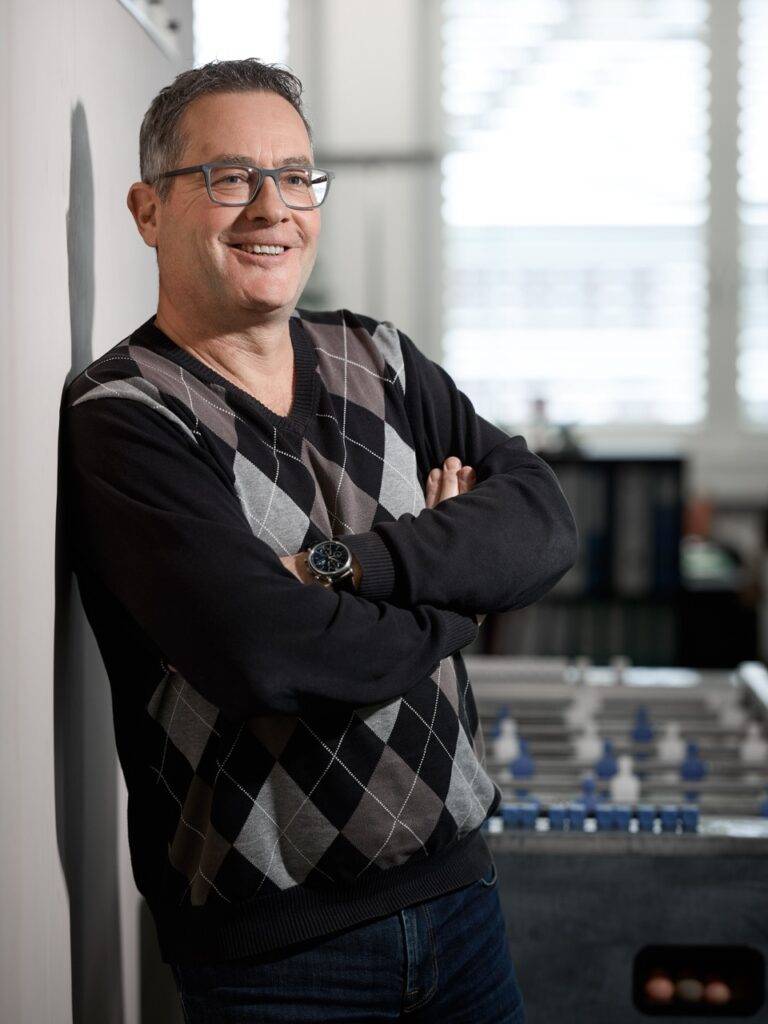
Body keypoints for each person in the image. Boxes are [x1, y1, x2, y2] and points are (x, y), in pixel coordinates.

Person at [62, 57, 578, 1023]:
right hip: (280, 961)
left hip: (463, 905)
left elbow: (543, 523)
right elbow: (267, 653)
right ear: (148, 210)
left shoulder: (379, 357)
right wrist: (460, 593)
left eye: (295, 177)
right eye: (231, 178)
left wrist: (356, 567)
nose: (273, 209)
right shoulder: (126, 414)